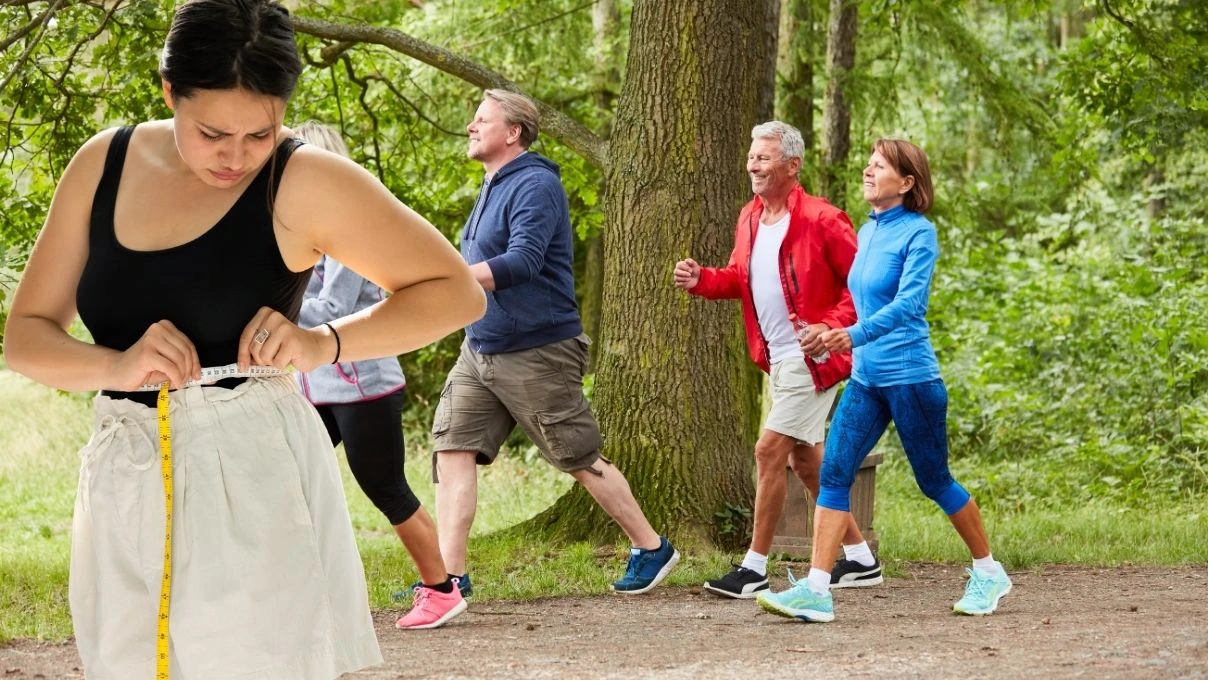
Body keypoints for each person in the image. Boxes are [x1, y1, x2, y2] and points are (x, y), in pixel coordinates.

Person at [1, 1, 485, 677]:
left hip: (251, 473)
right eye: (211, 133)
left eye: (259, 134)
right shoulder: (102, 163)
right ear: (169, 91)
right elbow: (24, 339)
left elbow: (455, 292)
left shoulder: (305, 179)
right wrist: (117, 362)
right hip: (121, 473)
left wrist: (323, 345)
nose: (234, 158)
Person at [429, 89, 679, 595]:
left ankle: (652, 548)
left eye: (482, 119)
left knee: (577, 456)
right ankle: (447, 580)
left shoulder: (537, 184)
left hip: (537, 350)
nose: (471, 127)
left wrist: (450, 276)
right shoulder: (491, 184)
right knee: (452, 450)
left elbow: (522, 261)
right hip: (479, 349)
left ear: (513, 132)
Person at [756, 138, 1012, 623]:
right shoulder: (869, 230)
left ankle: (989, 570)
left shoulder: (919, 234)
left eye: (880, 167)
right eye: (869, 165)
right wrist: (828, 331)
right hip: (867, 379)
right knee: (834, 473)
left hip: (911, 378)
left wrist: (849, 335)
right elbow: (858, 300)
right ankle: (816, 590)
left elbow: (909, 305)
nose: (869, 172)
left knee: (934, 480)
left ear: (907, 182)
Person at [673, 121, 881, 600]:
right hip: (777, 360)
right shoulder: (749, 217)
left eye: (764, 158)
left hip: (815, 361)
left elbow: (863, 288)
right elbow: (739, 278)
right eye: (751, 157)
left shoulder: (824, 219)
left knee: (768, 451)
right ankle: (862, 560)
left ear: (792, 165)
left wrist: (831, 330)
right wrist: (702, 278)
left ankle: (754, 567)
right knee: (807, 463)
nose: (753, 165)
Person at [290, 122, 467, 630]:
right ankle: (304, 591)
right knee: (291, 484)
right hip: (313, 386)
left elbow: (333, 309)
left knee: (386, 488)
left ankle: (441, 590)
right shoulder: (300, 229)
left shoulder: (348, 231)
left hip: (362, 385)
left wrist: (274, 301)